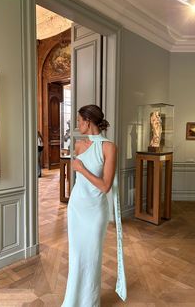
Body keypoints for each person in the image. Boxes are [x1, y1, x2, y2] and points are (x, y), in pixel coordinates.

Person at [61, 104, 127, 307]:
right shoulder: (79, 145)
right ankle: (72, 301)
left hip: (95, 211)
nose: (77, 124)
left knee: (92, 258)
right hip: (77, 208)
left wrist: (80, 168)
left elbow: (106, 186)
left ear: (88, 122)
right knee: (77, 256)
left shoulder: (109, 147)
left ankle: (90, 302)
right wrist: (79, 170)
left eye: (79, 121)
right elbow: (80, 183)